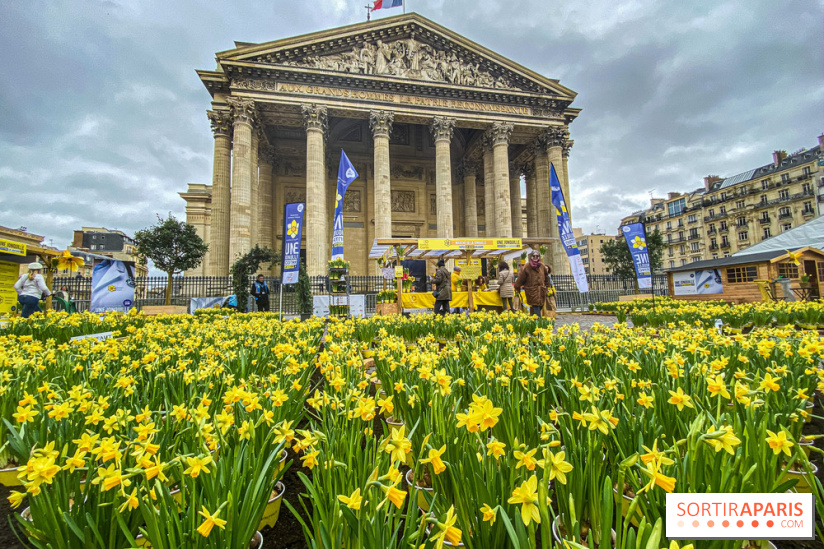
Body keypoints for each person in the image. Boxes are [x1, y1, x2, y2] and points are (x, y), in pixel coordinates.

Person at [514, 251, 551, 317]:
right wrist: (517, 286)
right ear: (531, 257)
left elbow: (546, 277)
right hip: (532, 290)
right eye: (534, 256)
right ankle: (538, 323)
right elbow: (522, 278)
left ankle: (533, 320)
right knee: (536, 306)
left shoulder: (542, 266)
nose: (535, 257)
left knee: (539, 306)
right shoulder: (527, 266)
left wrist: (548, 287)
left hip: (541, 291)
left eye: (537, 256)